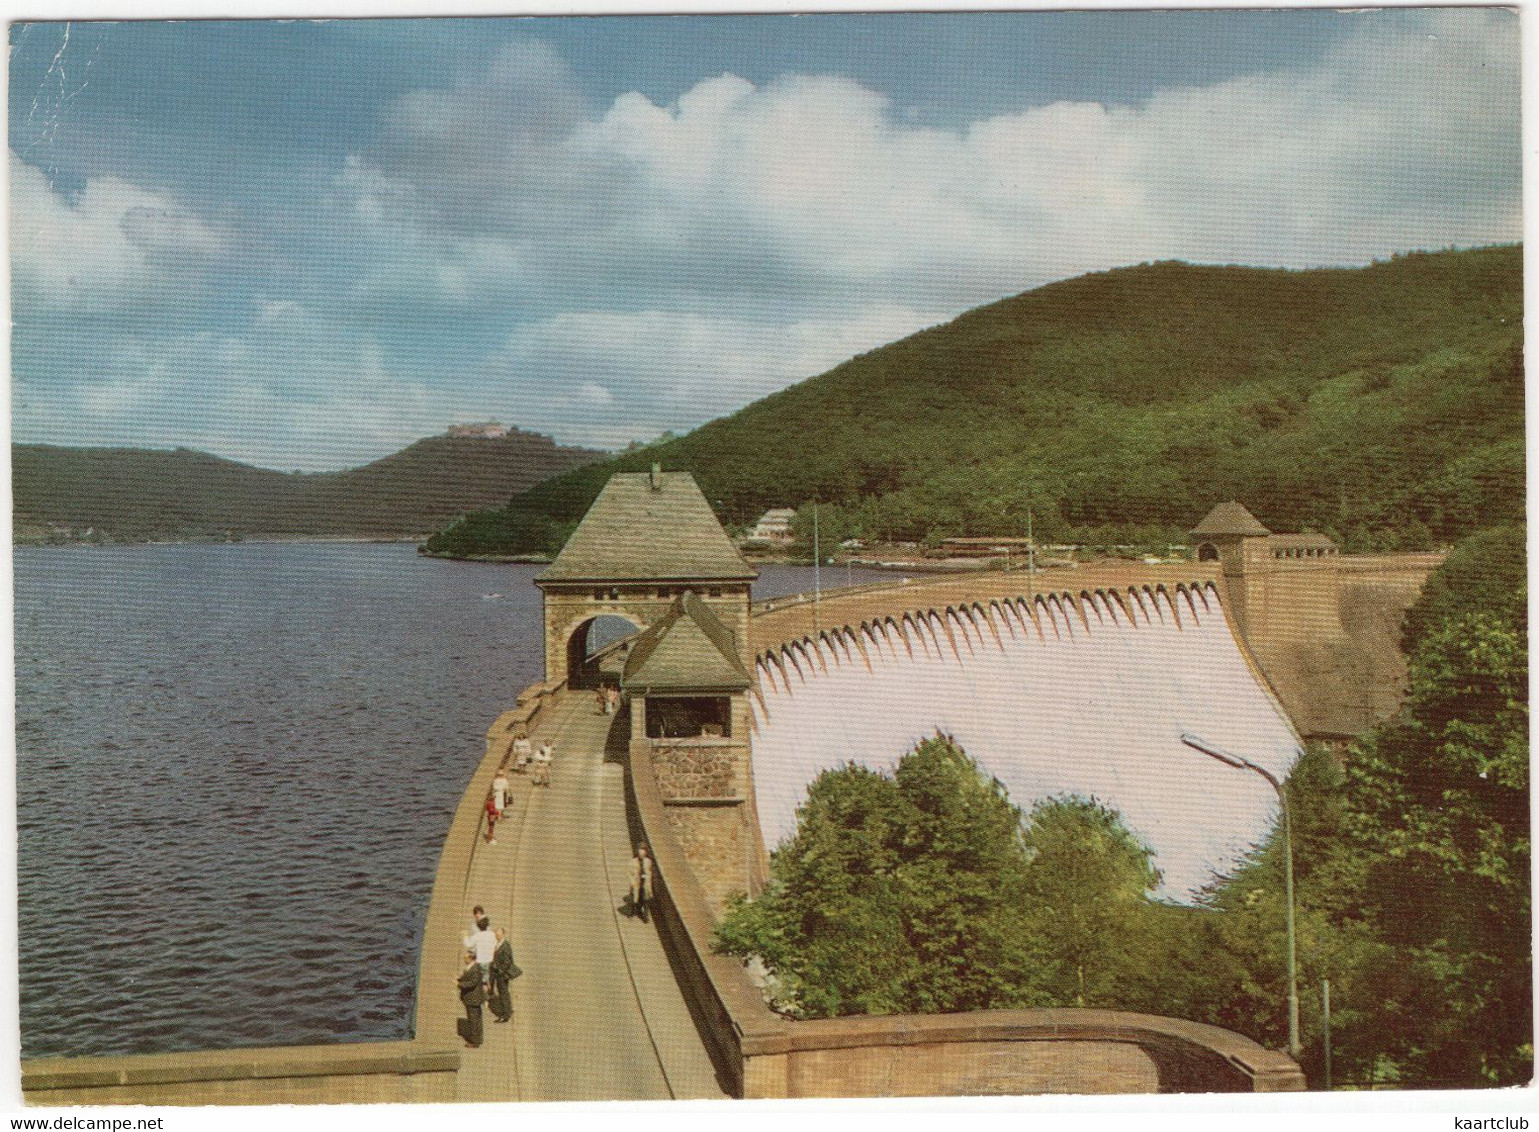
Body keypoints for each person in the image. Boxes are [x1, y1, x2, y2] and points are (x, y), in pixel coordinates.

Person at [456, 949, 485, 1048]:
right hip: (472, 998)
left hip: (473, 998)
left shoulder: (475, 969)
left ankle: (474, 1042)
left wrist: (459, 984)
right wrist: (460, 979)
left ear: (471, 958)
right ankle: (478, 1038)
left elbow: (472, 983)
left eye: (465, 958)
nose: (464, 959)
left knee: (473, 1020)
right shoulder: (472, 967)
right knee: (476, 1019)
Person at [488, 927, 518, 1023]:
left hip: (502, 975)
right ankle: (508, 1011)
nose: (497, 936)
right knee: (504, 993)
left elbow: (507, 962)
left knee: (503, 994)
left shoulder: (505, 946)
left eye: (499, 935)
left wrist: (499, 970)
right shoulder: (499, 944)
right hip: (499, 974)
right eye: (496, 935)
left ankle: (505, 1015)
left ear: (503, 934)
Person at [463, 913, 496, 985]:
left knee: (480, 983)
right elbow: (495, 946)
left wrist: (465, 936)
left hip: (480, 962)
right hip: (490, 962)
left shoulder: (477, 935)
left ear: (478, 926)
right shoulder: (492, 935)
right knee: (489, 983)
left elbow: (468, 944)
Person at [628, 842, 654, 922]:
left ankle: (645, 916)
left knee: (645, 899)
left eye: (644, 851)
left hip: (645, 883)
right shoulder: (633, 862)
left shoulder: (648, 861)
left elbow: (649, 873)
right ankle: (632, 913)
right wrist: (632, 883)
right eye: (640, 851)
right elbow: (630, 874)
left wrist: (649, 886)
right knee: (635, 899)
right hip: (636, 883)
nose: (642, 853)